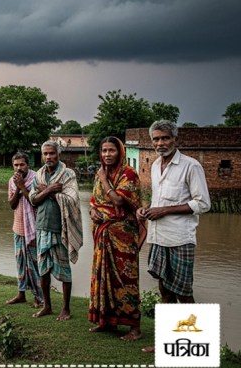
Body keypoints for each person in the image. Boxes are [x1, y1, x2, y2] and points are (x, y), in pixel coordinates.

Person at [136, 120, 210, 353]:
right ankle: (166, 344)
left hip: (181, 238)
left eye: (165, 138)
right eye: (156, 139)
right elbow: (159, 201)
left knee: (183, 293)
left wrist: (164, 211)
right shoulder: (156, 165)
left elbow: (203, 203)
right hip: (159, 237)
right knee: (164, 290)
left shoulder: (191, 166)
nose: (160, 143)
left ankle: (197, 346)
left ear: (175, 139)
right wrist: (145, 209)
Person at [88, 136, 146, 341]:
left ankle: (134, 328)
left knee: (125, 280)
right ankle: (106, 322)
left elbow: (118, 200)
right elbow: (95, 201)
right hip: (103, 234)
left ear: (120, 152)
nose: (107, 155)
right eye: (104, 151)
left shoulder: (128, 174)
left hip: (123, 237)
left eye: (111, 150)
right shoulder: (100, 174)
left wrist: (104, 179)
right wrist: (92, 211)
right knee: (104, 279)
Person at [29, 140, 83, 320]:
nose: (48, 157)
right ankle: (47, 306)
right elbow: (33, 199)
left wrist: (47, 192)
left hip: (61, 228)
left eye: (51, 153)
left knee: (64, 269)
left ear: (58, 154)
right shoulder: (39, 175)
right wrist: (49, 191)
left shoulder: (68, 174)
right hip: (42, 226)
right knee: (43, 269)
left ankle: (66, 308)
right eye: (45, 154)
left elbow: (72, 199)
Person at [7, 151, 43, 308]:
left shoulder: (37, 179)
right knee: (20, 263)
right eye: (16, 165)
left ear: (28, 165)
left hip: (35, 228)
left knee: (35, 265)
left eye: (22, 164)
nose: (19, 168)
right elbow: (12, 204)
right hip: (18, 227)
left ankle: (39, 297)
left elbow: (34, 202)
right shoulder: (11, 181)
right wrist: (17, 188)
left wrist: (22, 186)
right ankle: (21, 294)